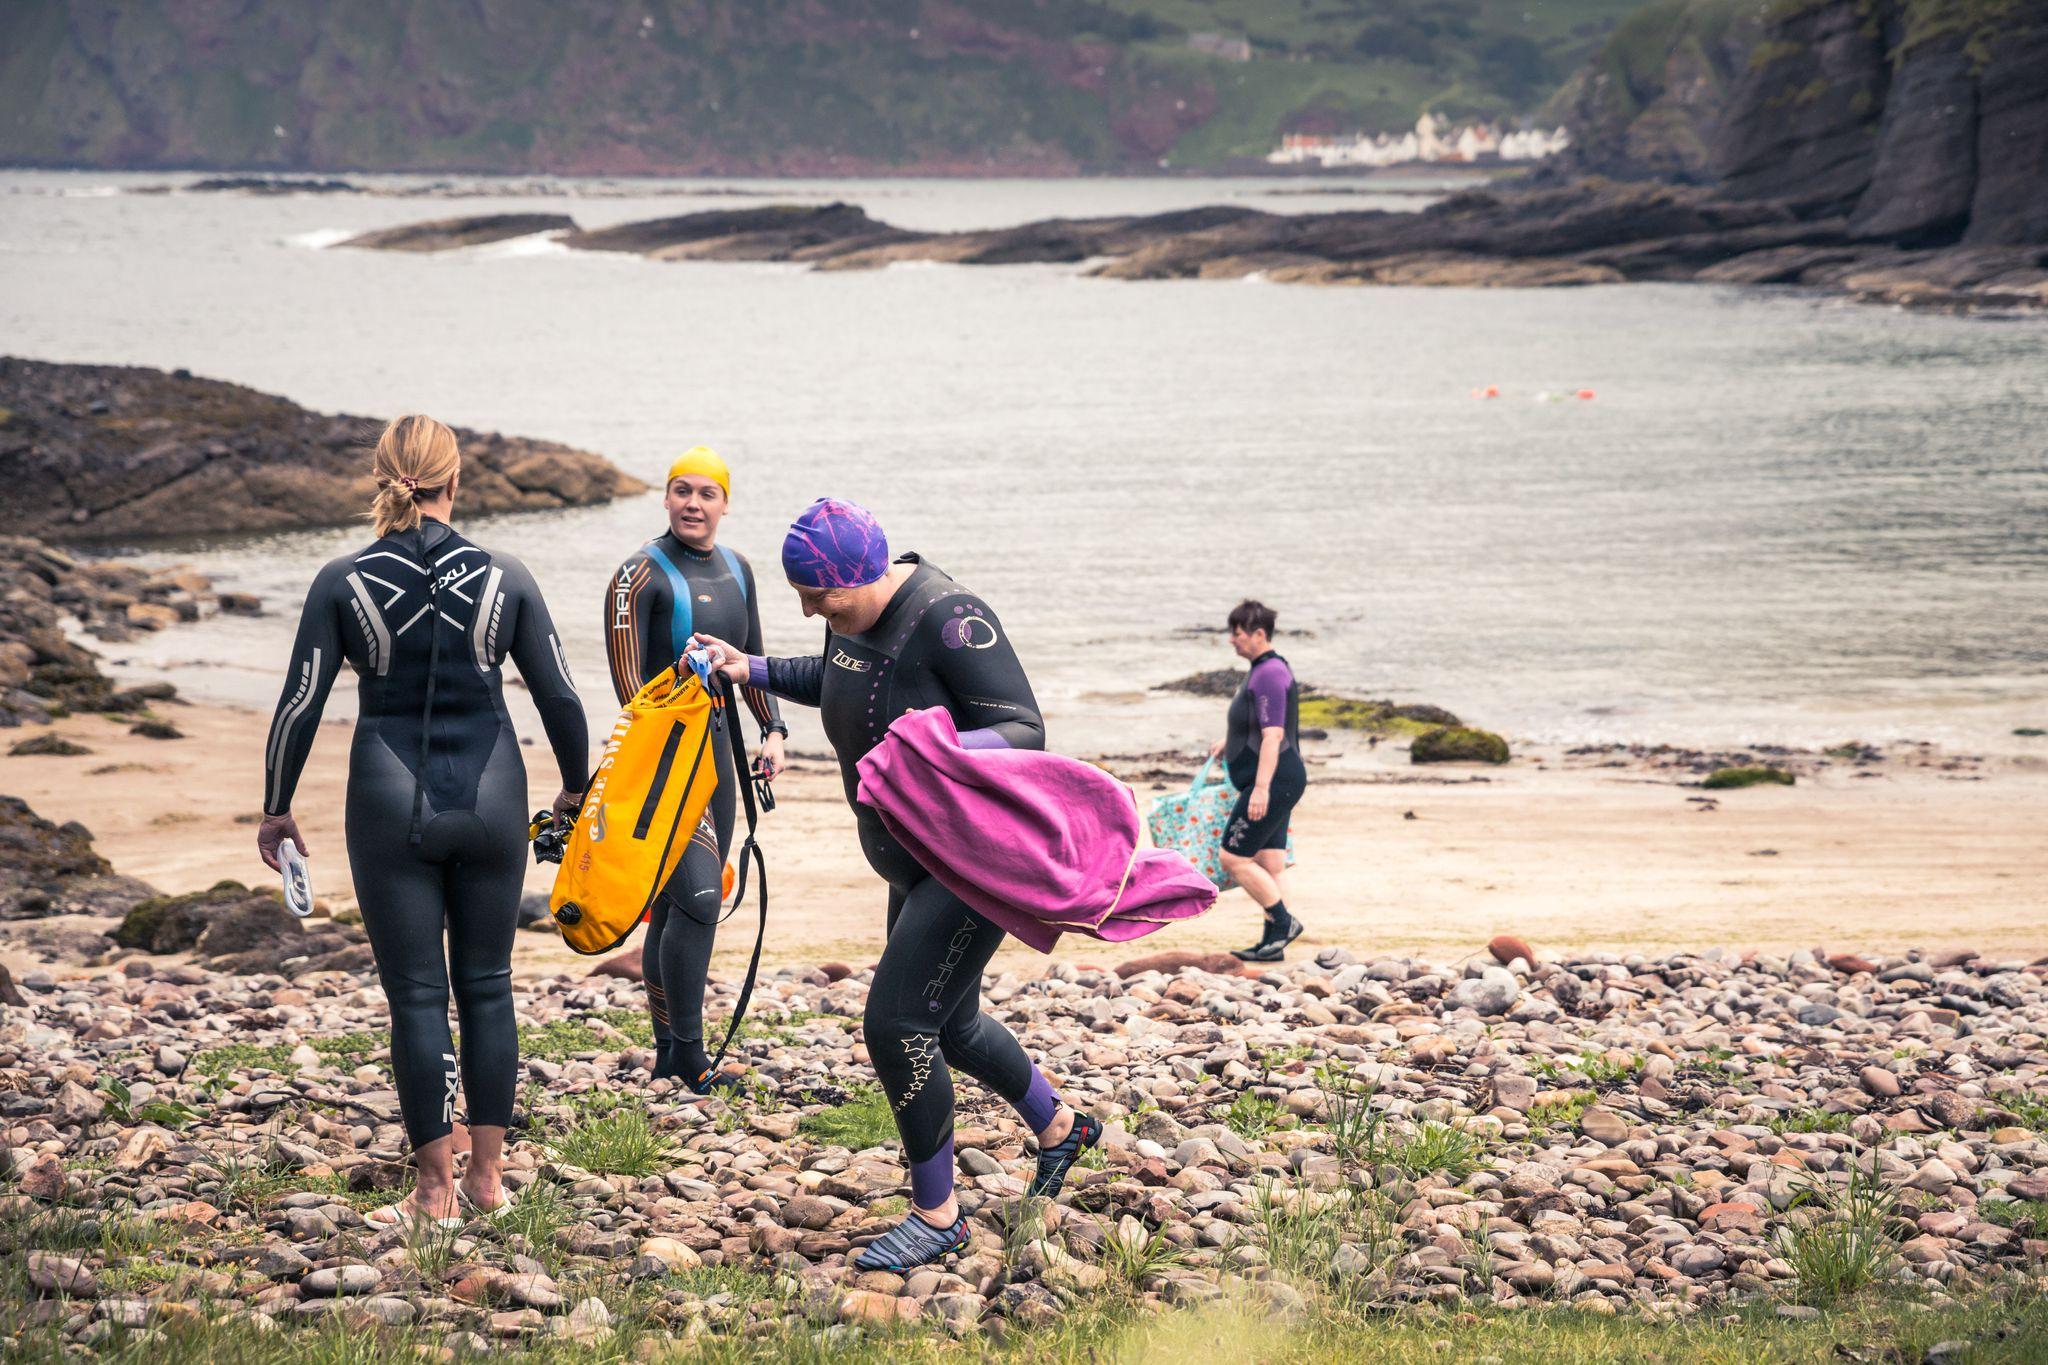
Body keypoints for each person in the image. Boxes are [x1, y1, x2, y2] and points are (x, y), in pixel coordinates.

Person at [691, 497, 1099, 1272]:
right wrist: (754, 668)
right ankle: (1061, 1127)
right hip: (911, 859)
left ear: (865, 573)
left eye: (819, 594)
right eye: (802, 594)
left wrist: (923, 746)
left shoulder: (950, 618)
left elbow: (1022, 726)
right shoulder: (848, 614)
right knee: (952, 1024)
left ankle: (938, 1214)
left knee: (897, 1023)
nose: (809, 606)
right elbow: (839, 679)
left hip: (969, 860)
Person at [257, 414, 588, 1228]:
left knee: (415, 994)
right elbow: (563, 699)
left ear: (382, 475)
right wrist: (575, 792)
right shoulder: (506, 576)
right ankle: (488, 1179)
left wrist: (276, 807)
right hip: (493, 796)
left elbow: (299, 703)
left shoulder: (342, 580)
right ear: (456, 479)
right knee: (488, 986)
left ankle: (432, 1192)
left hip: (386, 796)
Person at [603, 446, 786, 1092]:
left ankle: (669, 1054)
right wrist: (677, 675)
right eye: (682, 490)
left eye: (707, 493)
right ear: (666, 497)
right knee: (702, 898)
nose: (693, 503)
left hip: (723, 756)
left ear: (725, 504)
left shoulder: (739, 570)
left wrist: (773, 729)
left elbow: (751, 659)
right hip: (660, 763)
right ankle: (690, 1048)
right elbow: (630, 689)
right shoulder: (637, 576)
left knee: (685, 905)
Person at [1211, 599, 1308, 962]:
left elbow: (1272, 735)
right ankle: (1273, 943)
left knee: (1233, 857)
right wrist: (1229, 743)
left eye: (1236, 634)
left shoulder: (1268, 673)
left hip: (1274, 780)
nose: (1231, 641)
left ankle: (1283, 923)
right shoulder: (1264, 669)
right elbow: (1255, 724)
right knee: (1269, 864)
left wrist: (1262, 789)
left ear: (1259, 634)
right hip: (1280, 777)